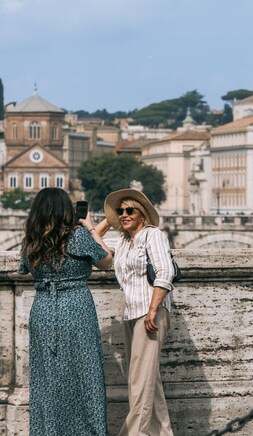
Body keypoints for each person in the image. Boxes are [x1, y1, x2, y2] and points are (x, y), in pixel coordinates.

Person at [18, 187, 114, 436]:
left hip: (43, 310)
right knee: (85, 375)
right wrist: (92, 228)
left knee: (47, 378)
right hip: (76, 308)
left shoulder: (31, 240)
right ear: (66, 210)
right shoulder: (78, 237)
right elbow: (106, 260)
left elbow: (24, 269)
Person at [103, 188, 176, 436]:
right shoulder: (123, 242)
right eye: (120, 211)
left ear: (142, 214)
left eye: (130, 210)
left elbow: (165, 272)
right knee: (149, 382)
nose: (124, 215)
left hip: (150, 314)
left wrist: (153, 310)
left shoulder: (152, 235)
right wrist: (103, 222)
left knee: (138, 383)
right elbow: (97, 251)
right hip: (131, 314)